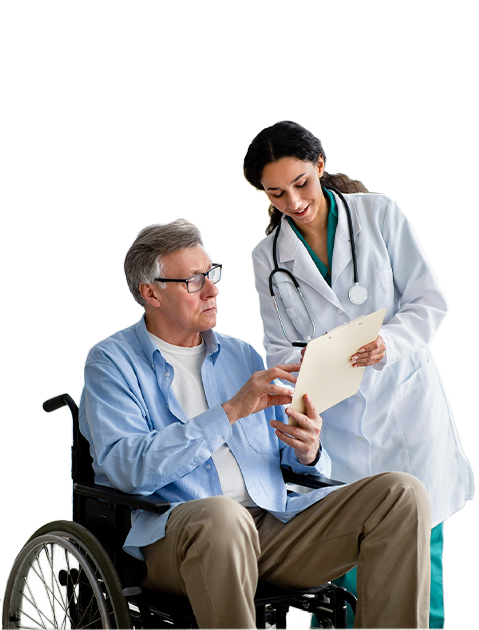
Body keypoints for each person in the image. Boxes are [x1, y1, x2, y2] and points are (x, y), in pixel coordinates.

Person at [79, 218, 432, 630]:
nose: (212, 290)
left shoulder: (241, 356)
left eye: (211, 274)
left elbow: (289, 461)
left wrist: (308, 449)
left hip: (270, 526)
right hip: (175, 538)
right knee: (223, 517)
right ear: (150, 292)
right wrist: (228, 412)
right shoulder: (111, 363)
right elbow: (127, 470)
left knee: (401, 493)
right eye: (194, 281)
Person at [243, 120, 474, 630]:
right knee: (348, 572)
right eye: (277, 193)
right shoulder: (268, 258)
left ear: (320, 167)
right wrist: (313, 365)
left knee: (423, 569)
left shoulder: (380, 214)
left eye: (301, 183)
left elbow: (428, 301)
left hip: (406, 415)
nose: (295, 202)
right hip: (340, 423)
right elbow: (279, 347)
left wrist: (388, 342)